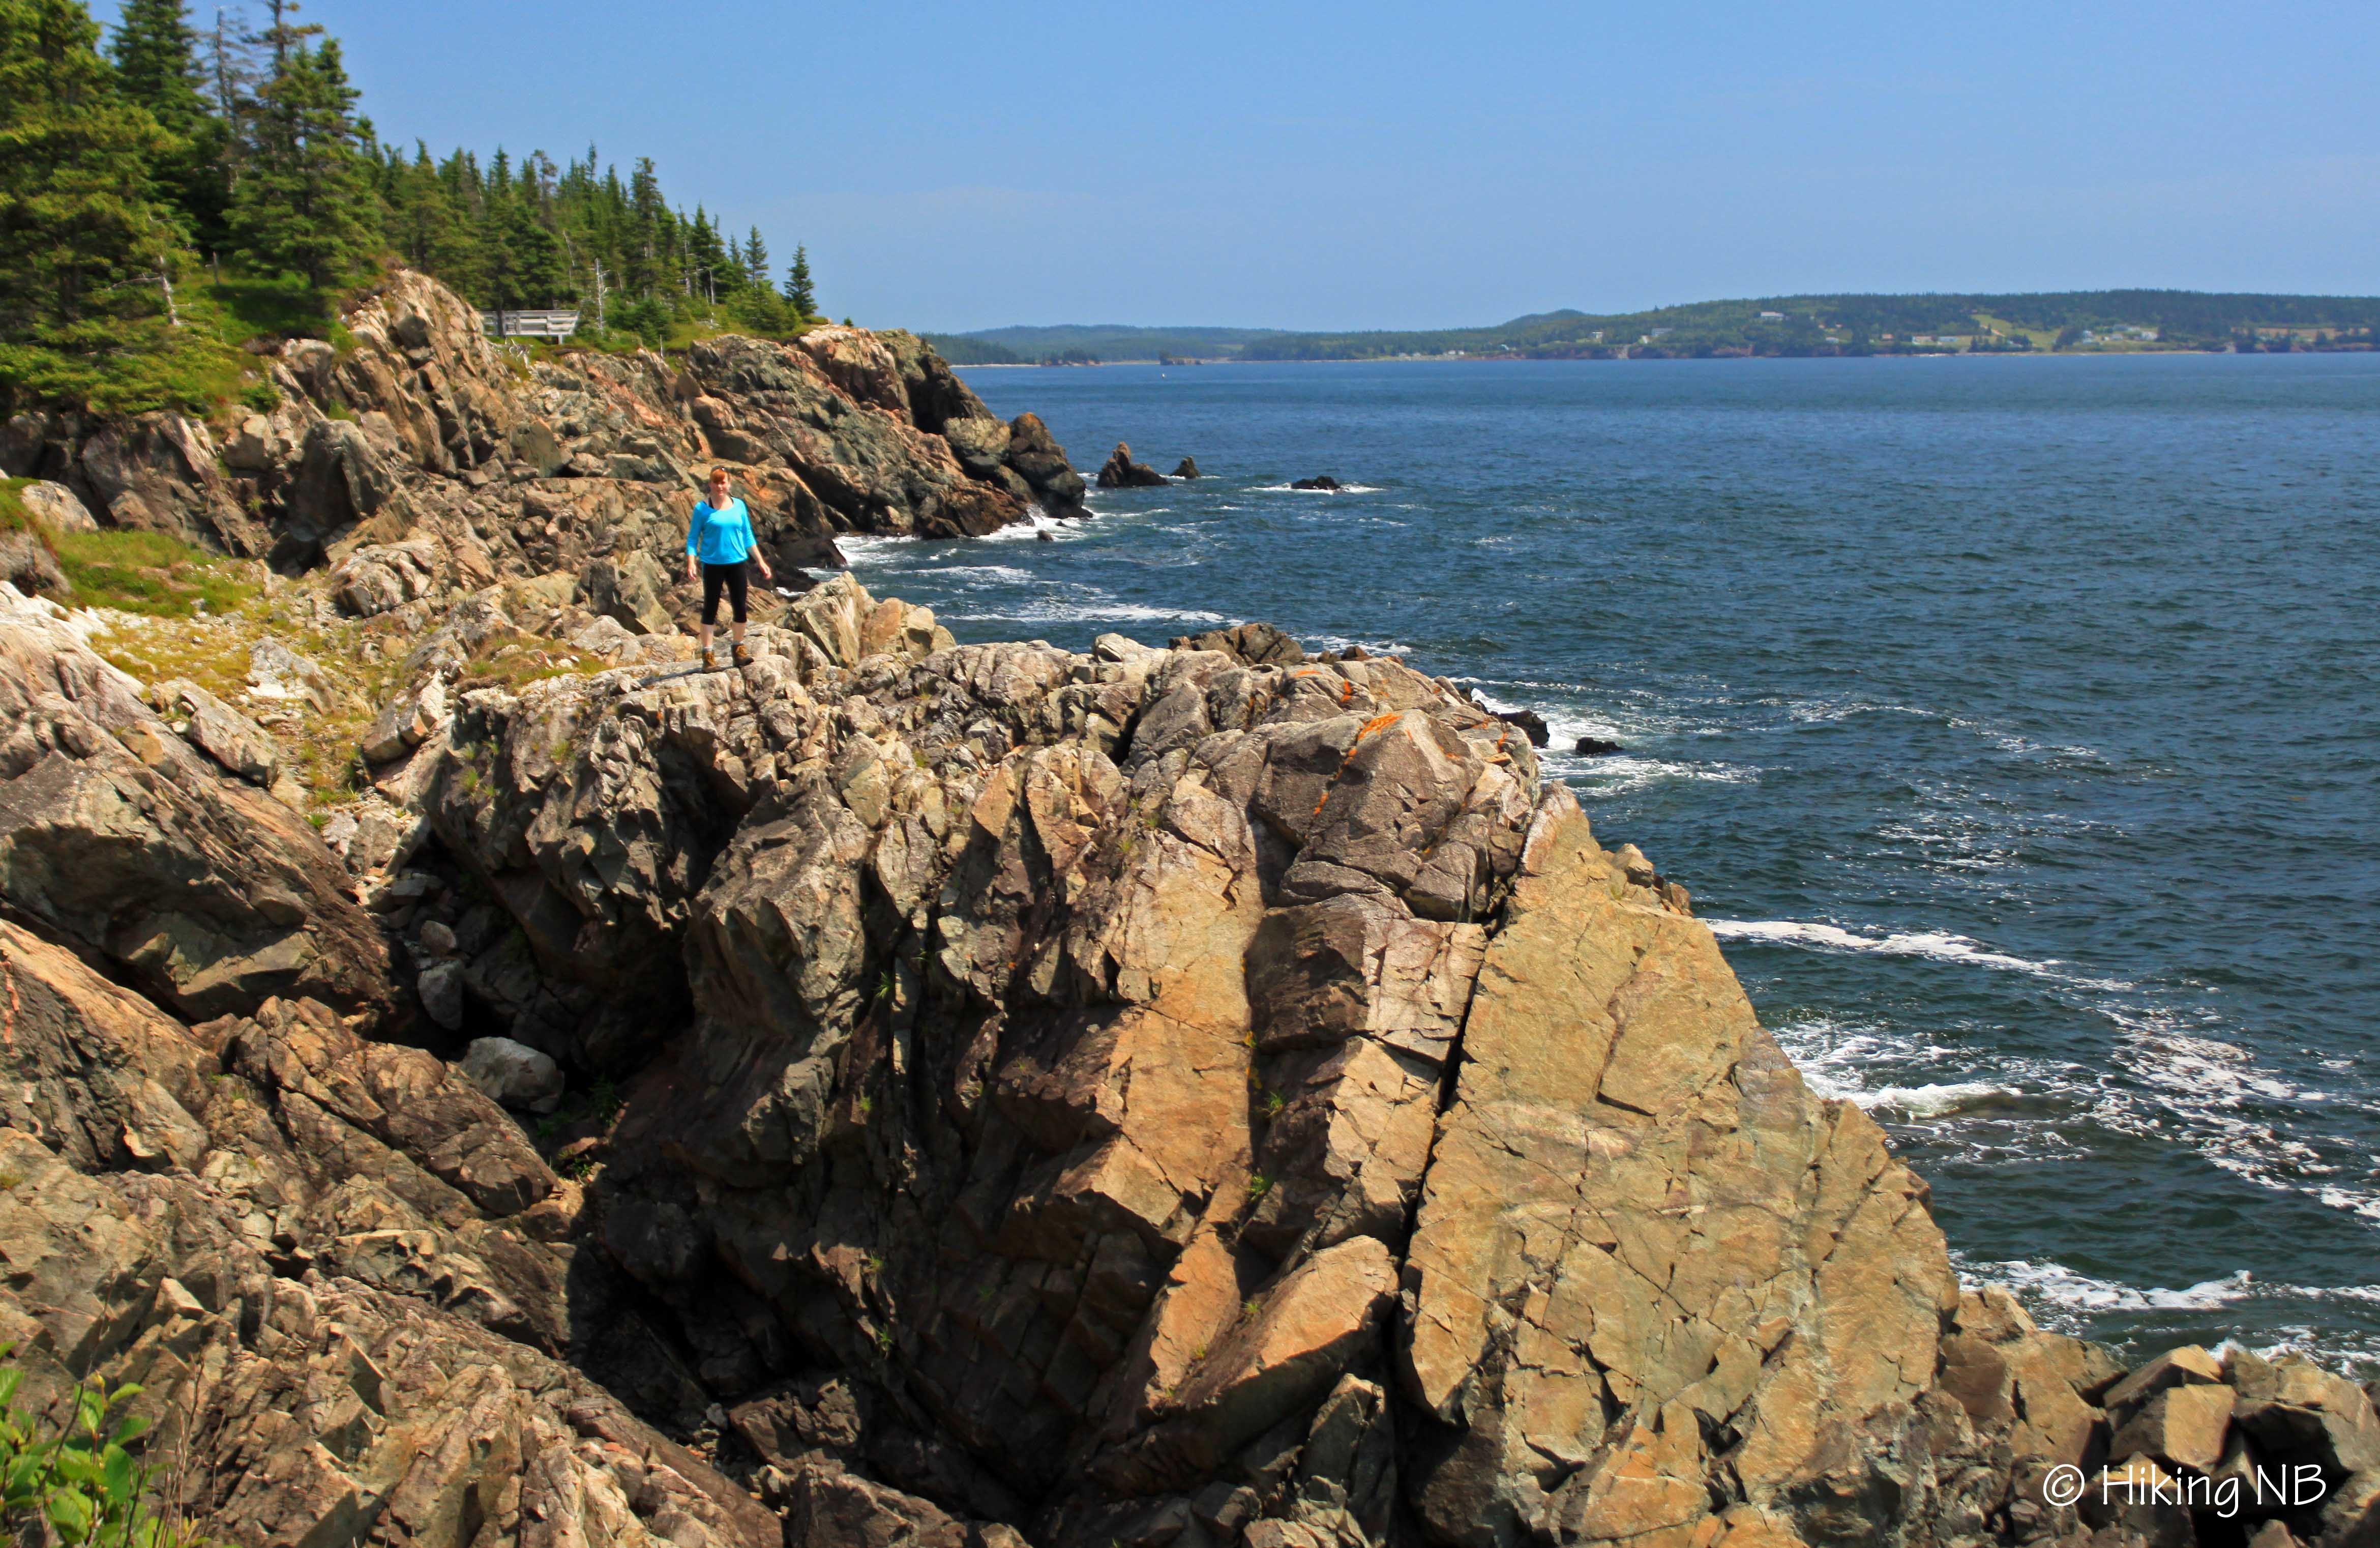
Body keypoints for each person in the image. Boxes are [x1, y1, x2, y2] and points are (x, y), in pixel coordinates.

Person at [685, 468, 775, 668]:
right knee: (710, 608)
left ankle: (739, 649)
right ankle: (708, 656)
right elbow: (692, 539)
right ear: (710, 484)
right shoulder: (702, 509)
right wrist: (691, 561)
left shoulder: (739, 506)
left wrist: (760, 562)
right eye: (716, 483)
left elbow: (748, 536)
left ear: (729, 484)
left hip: (737, 563)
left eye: (723, 482)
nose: (719, 486)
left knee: (740, 607)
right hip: (712, 564)